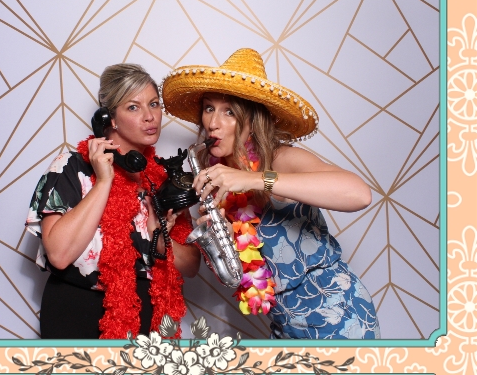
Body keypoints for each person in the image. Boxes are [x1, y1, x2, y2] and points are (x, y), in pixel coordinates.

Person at [161, 48, 380, 341]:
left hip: (339, 318)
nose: (213, 123)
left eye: (229, 112)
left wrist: (254, 179)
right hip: (283, 326)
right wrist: (221, 239)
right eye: (209, 108)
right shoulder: (215, 179)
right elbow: (241, 277)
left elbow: (359, 194)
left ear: (253, 121)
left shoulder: (281, 159)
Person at [27, 64, 199, 340]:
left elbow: (190, 266)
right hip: (77, 313)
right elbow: (59, 255)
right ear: (110, 119)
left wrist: (159, 235)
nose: (149, 116)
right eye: (133, 107)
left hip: (147, 316)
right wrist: (104, 181)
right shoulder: (72, 167)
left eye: (154, 104)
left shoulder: (164, 178)